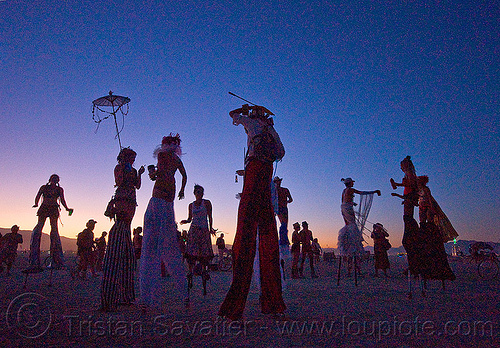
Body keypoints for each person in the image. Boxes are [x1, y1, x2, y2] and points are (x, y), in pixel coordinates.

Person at [219, 104, 286, 321]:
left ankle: (235, 305)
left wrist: (242, 108)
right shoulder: (270, 129)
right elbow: (282, 153)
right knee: (267, 234)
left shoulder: (251, 123)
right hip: (265, 178)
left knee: (245, 232)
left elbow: (232, 114)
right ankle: (273, 302)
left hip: (254, 174)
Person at [140, 134, 188, 309]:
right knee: (167, 243)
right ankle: (183, 293)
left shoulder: (163, 156)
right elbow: (183, 175)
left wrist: (152, 173)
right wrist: (182, 190)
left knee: (152, 243)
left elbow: (161, 173)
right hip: (169, 196)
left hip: (161, 195)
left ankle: (148, 296)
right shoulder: (175, 159)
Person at [100, 147, 144, 311]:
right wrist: (125, 170)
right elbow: (119, 182)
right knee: (118, 247)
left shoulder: (131, 169)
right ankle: (110, 298)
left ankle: (124, 295)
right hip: (123, 203)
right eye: (131, 157)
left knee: (128, 256)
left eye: (134, 158)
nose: (133, 160)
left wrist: (138, 173)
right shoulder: (120, 168)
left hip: (130, 202)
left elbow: (137, 186)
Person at [25, 174, 73, 272]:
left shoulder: (58, 189)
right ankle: (38, 261)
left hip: (51, 209)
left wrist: (67, 208)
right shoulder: (48, 188)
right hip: (47, 208)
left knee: (53, 230)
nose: (54, 181)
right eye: (53, 179)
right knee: (42, 229)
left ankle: (55, 259)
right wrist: (36, 203)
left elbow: (62, 200)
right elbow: (38, 196)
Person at [337, 177, 380, 276]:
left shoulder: (344, 191)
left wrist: (352, 203)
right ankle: (356, 267)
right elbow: (361, 192)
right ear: (350, 183)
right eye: (352, 182)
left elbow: (344, 201)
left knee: (349, 225)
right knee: (352, 226)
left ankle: (351, 268)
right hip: (347, 208)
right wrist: (373, 192)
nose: (353, 184)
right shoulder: (350, 190)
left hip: (343, 208)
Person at [180, 185, 215, 288]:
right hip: (194, 230)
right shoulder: (191, 205)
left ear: (203, 193)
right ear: (194, 193)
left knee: (204, 252)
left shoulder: (207, 203)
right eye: (197, 192)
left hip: (204, 230)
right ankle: (190, 271)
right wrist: (185, 221)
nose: (199, 194)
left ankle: (204, 270)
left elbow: (210, 216)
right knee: (191, 252)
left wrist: (210, 228)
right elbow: (190, 218)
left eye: (200, 192)